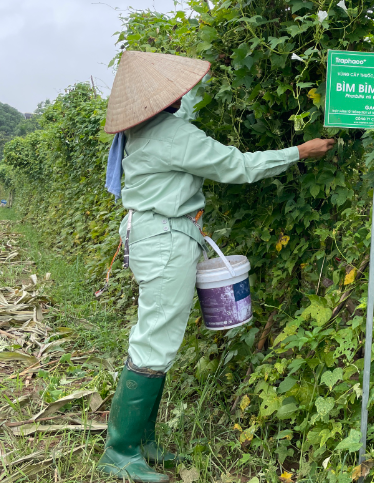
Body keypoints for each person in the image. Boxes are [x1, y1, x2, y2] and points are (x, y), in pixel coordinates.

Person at [98, 51, 334, 482]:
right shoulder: (172, 136)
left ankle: (143, 442)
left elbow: (183, 109)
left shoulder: (144, 125)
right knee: (155, 341)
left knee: (159, 338)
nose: (183, 93)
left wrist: (203, 77)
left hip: (152, 235)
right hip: (166, 241)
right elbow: (237, 166)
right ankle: (120, 450)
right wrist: (299, 152)